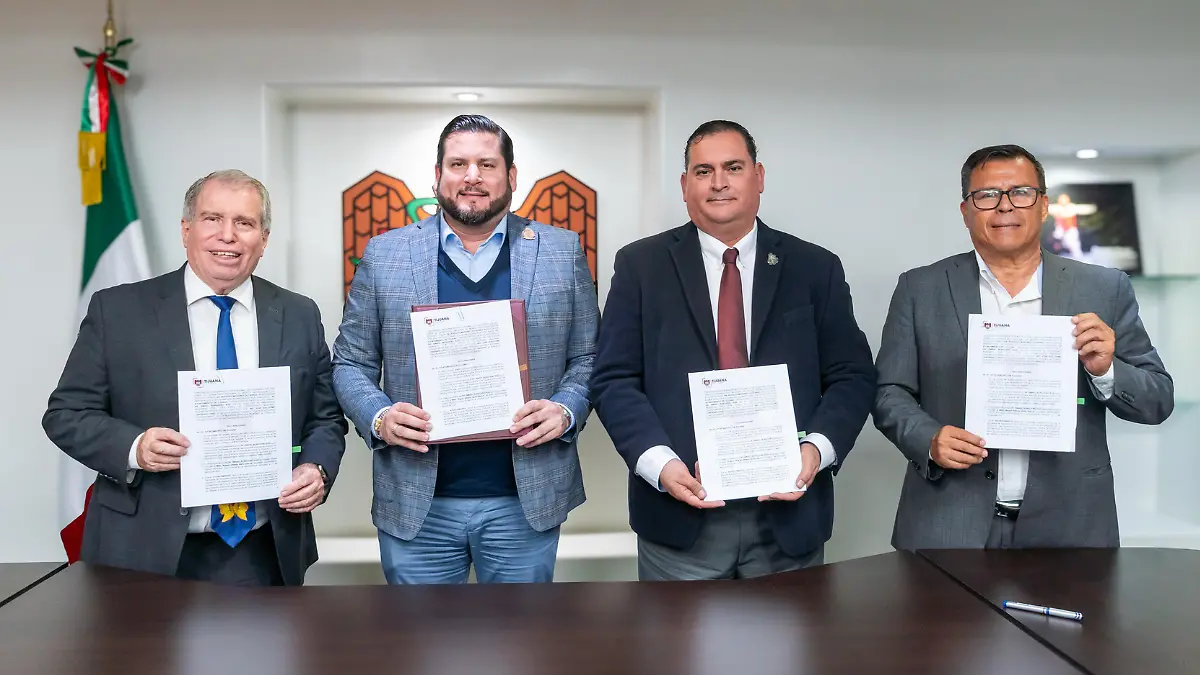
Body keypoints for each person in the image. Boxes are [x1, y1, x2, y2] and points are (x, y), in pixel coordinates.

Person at [590, 120, 877, 580]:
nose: (718, 182)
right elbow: (614, 379)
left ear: (758, 177)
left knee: (792, 632)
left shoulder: (814, 267)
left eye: (733, 167)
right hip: (680, 515)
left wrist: (816, 451)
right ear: (685, 185)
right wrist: (660, 465)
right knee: (675, 634)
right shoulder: (640, 266)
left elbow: (852, 375)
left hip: (788, 518)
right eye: (703, 171)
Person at [43, 169, 347, 586]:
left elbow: (325, 418)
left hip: (262, 549)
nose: (228, 235)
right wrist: (134, 447)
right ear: (186, 230)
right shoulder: (118, 311)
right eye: (212, 219)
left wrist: (316, 468)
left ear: (263, 240)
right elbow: (66, 413)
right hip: (141, 546)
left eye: (244, 223)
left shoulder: (299, 314)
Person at [332, 114, 598, 585]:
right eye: (458, 164)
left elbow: (589, 357)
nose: (472, 176)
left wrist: (565, 409)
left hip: (525, 502)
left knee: (523, 633)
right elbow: (351, 361)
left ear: (511, 176)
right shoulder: (385, 254)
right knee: (418, 634)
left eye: (486, 164)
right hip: (416, 502)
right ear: (437, 175)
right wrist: (379, 416)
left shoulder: (561, 251)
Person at [873, 144, 1173, 550]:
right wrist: (928, 438)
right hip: (948, 522)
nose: (1005, 206)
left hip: (1071, 526)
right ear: (965, 211)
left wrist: (1106, 370)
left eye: (1021, 192)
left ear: (1044, 205)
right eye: (986, 195)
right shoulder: (920, 288)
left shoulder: (1104, 288)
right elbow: (889, 391)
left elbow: (1158, 400)